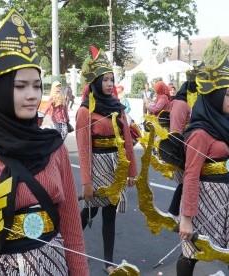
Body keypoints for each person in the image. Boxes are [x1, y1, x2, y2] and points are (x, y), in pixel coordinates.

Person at [0, 9, 88, 275]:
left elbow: (71, 225)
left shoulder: (54, 146)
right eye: (20, 86)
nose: (32, 95)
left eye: (37, 86)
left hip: (55, 264)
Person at [177, 56, 229, 275]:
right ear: (214, 96)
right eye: (227, 94)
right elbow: (190, 176)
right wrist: (187, 219)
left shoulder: (228, 126)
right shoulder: (199, 133)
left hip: (227, 198)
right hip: (203, 199)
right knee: (192, 254)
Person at [77, 46, 137, 274]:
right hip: (97, 165)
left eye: (112, 79)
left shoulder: (117, 107)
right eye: (106, 80)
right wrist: (87, 182)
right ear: (95, 82)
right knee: (90, 211)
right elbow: (83, 149)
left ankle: (108, 263)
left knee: (110, 215)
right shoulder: (85, 111)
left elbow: (128, 141)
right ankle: (66, 246)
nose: (110, 84)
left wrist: (131, 170)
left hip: (116, 165)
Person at [166, 67, 199, 217]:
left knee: (187, 182)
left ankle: (175, 211)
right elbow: (175, 130)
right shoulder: (181, 104)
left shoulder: (192, 102)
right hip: (183, 147)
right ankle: (175, 211)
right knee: (186, 181)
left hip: (194, 145)